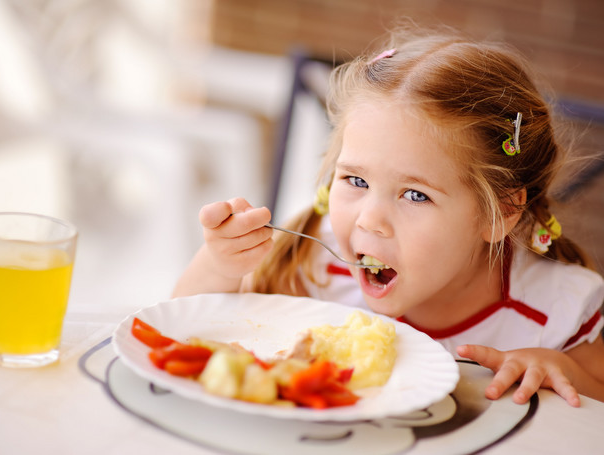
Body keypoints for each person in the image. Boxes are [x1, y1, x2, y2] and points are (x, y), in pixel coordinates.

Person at [172, 25, 604, 407]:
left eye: (415, 195)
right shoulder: (316, 267)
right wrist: (218, 266)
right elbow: (186, 333)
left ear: (501, 212)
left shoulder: (551, 312)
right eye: (356, 181)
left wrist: (558, 370)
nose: (369, 221)